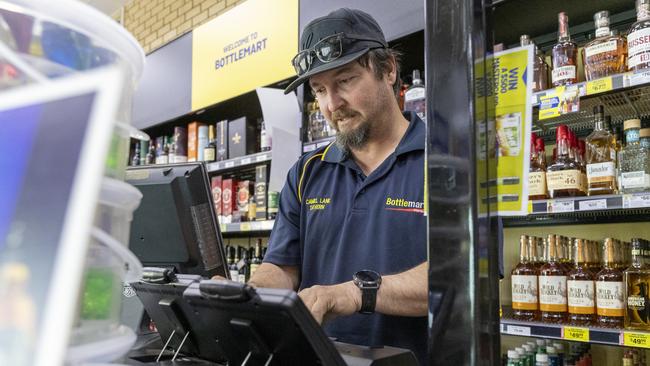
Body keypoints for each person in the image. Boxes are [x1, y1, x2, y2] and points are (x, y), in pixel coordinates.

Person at [246, 8, 428, 364]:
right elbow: (282, 268)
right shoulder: (306, 172)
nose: (332, 105)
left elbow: (462, 278)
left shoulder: (447, 161)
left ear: (388, 69)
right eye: (319, 90)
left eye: (345, 81)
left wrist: (357, 293)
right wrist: (248, 295)